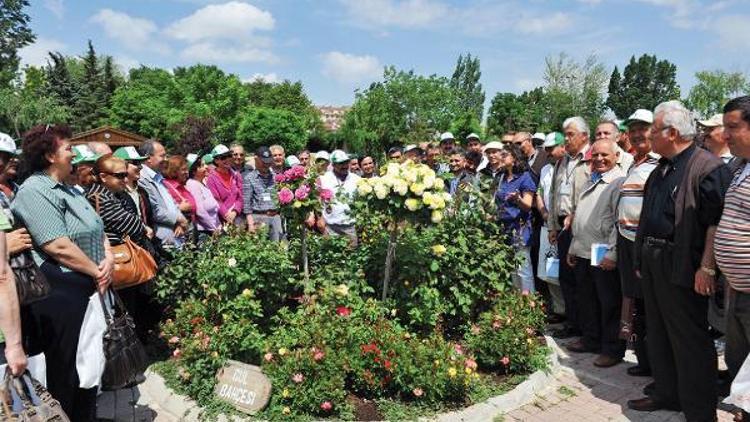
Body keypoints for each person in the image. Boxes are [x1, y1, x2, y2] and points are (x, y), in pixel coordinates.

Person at [628, 101, 731, 420]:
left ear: (671, 133)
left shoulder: (708, 168)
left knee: (689, 339)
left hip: (685, 264)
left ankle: (700, 411)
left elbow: (716, 222)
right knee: (658, 332)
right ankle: (668, 394)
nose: (648, 136)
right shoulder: (662, 167)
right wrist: (640, 258)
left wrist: (707, 266)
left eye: (653, 131)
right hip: (655, 261)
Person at [12, 124, 114, 419]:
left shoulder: (71, 188)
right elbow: (57, 245)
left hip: (91, 284)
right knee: (67, 366)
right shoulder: (35, 190)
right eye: (68, 148)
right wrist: (98, 272)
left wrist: (107, 258)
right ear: (49, 155)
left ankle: (86, 414)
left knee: (90, 363)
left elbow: (98, 228)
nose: (73, 154)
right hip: (62, 293)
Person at [565, 139, 627, 368]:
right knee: (588, 300)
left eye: (604, 155)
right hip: (583, 250)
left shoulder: (618, 182)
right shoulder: (591, 179)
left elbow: (618, 222)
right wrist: (573, 247)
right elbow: (579, 215)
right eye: (596, 155)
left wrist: (613, 253)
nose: (599, 159)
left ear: (616, 156)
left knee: (609, 303)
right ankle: (591, 339)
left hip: (603, 253)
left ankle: (612, 349)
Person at [615, 109, 659, 378]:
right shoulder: (633, 163)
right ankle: (644, 362)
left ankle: (655, 366)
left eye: (643, 128)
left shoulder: (659, 163)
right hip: (626, 242)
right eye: (632, 129)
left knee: (649, 307)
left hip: (644, 245)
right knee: (636, 307)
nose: (637, 134)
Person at [716, 96, 750, 414]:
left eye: (733, 127)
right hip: (735, 287)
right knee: (737, 356)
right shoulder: (738, 167)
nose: (725, 135)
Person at [547, 116, 592, 339]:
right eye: (565, 134)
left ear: (584, 136)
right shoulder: (562, 162)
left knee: (583, 280)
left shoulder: (593, 159)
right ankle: (572, 323)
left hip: (583, 227)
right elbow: (554, 193)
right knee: (566, 279)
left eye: (571, 134)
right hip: (563, 226)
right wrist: (552, 225)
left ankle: (587, 327)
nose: (566, 138)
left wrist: (576, 216)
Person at [495, 143, 537, 293]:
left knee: (523, 269)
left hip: (520, 229)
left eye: (504, 155)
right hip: (504, 229)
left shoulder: (524, 177)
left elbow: (528, 205)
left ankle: (529, 306)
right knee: (511, 268)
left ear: (514, 158)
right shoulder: (501, 177)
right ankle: (517, 305)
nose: (500, 157)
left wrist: (518, 199)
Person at [535, 132, 567, 321]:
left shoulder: (568, 167)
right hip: (547, 225)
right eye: (546, 149)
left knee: (563, 270)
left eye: (551, 148)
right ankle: (558, 309)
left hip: (564, 226)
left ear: (562, 147)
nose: (548, 152)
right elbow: (539, 192)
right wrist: (544, 213)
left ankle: (569, 311)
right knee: (549, 269)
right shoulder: (546, 168)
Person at [138, 140, 189, 247]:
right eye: (162, 156)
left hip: (175, 237)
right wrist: (177, 219)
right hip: (162, 239)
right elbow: (154, 209)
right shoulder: (142, 179)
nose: (166, 160)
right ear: (148, 158)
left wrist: (178, 222)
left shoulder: (158, 177)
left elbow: (173, 204)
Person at [244, 146, 284, 241]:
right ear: (256, 159)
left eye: (268, 161)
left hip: (275, 217)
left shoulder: (276, 178)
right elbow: (247, 205)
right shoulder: (249, 178)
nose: (266, 164)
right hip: (258, 218)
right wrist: (250, 224)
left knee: (278, 249)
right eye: (263, 161)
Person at [319, 150, 360, 244]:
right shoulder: (324, 179)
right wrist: (320, 217)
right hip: (330, 228)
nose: (345, 166)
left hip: (350, 228)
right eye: (340, 163)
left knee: (352, 256)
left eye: (346, 162)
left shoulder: (356, 179)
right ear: (333, 165)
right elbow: (318, 199)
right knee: (330, 257)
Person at [205, 144, 244, 228]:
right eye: (223, 158)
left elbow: (241, 196)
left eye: (229, 156)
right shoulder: (211, 179)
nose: (227, 159)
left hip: (238, 217)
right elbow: (216, 200)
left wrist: (235, 211)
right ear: (216, 161)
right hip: (222, 220)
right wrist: (226, 215)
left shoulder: (237, 175)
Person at [185, 154, 221, 240]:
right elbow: (200, 211)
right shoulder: (193, 185)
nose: (206, 167)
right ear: (194, 171)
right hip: (205, 232)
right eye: (202, 166)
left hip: (213, 229)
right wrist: (214, 228)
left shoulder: (203, 183)